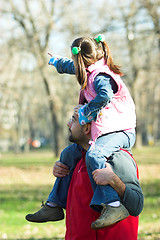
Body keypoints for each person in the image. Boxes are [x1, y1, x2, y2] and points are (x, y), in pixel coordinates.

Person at [46, 34, 136, 228]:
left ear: (81, 60)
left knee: (94, 155)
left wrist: (86, 111)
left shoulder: (102, 77)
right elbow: (70, 67)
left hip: (121, 130)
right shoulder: (89, 69)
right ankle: (54, 204)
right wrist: (55, 61)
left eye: (73, 60)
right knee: (68, 153)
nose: (73, 65)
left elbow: (105, 95)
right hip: (107, 129)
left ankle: (113, 204)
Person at [25, 108, 143, 232]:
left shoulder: (118, 158)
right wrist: (61, 172)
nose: (68, 124)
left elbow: (137, 206)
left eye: (73, 120)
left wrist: (114, 180)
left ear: (87, 128)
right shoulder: (76, 158)